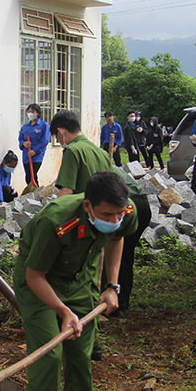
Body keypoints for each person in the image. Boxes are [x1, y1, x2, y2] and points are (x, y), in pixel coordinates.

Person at [14, 171, 137, 391]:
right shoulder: (56, 221)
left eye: (117, 213)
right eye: (106, 214)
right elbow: (35, 276)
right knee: (50, 360)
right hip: (39, 286)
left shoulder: (124, 211)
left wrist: (111, 285)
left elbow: (117, 237)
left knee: (81, 364)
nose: (113, 219)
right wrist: (64, 312)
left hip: (79, 283)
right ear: (87, 207)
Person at [52, 110, 152, 355]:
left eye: (57, 136)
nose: (59, 140)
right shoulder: (97, 149)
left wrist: (50, 219)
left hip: (106, 213)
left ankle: (92, 325)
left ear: (61, 132)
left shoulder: (73, 151)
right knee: (114, 259)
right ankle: (113, 303)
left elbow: (66, 194)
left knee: (86, 272)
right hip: (126, 207)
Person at [19, 103, 50, 187]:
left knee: (31, 176)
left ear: (38, 113)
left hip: (37, 156)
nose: (30, 113)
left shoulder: (44, 126)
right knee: (29, 178)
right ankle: (36, 192)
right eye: (29, 111)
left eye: (33, 111)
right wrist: (24, 143)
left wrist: (35, 151)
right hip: (26, 155)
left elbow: (45, 140)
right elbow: (20, 139)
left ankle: (35, 192)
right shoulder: (25, 127)